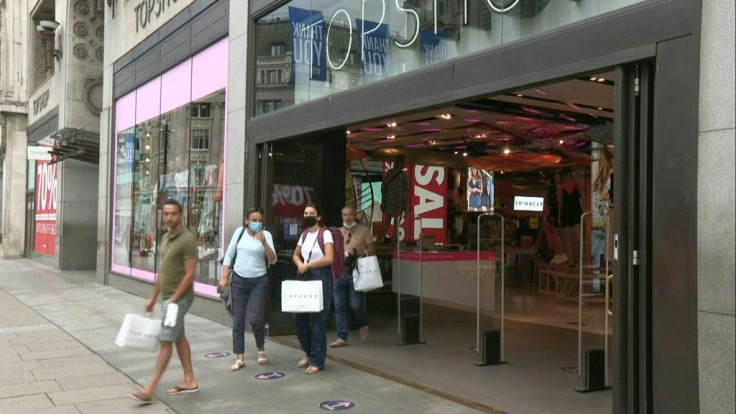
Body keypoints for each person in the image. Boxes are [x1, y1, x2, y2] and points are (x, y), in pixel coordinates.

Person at [128, 199, 199, 404]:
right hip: (169, 299)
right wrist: (152, 298)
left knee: (166, 341)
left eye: (173, 214)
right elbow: (164, 272)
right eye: (166, 214)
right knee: (179, 337)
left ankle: (149, 389)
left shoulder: (187, 239)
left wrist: (173, 300)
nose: (169, 217)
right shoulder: (166, 238)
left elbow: (190, 274)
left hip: (179, 299)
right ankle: (190, 379)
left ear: (181, 215)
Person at [219, 207, 277, 371]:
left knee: (256, 319)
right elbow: (229, 255)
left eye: (259, 220)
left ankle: (261, 348)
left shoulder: (266, 235)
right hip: (239, 280)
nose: (257, 223)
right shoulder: (239, 233)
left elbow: (273, 260)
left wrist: (264, 242)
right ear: (246, 221)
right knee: (238, 319)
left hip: (259, 280)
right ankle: (240, 357)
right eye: (254, 220)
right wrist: (224, 278)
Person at [292, 204, 334, 374]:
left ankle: (317, 360)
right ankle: (309, 353)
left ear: (318, 217)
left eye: (311, 213)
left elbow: (329, 258)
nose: (308, 215)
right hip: (305, 275)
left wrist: (308, 265)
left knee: (318, 321)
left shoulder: (326, 233)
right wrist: (300, 264)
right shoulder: (304, 234)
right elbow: (296, 254)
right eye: (305, 213)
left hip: (320, 277)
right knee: (299, 318)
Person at [330, 206, 376, 348]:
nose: (347, 217)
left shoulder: (364, 230)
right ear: (342, 216)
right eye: (345, 215)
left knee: (355, 304)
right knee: (339, 306)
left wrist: (358, 251)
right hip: (339, 272)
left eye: (350, 214)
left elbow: (373, 250)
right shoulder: (337, 232)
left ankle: (363, 324)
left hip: (355, 272)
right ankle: (341, 336)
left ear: (354, 215)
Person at [557, 168, 586, 268]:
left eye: (566, 174)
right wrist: (559, 216)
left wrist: (585, 211)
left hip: (576, 211)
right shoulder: (561, 187)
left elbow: (583, 196)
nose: (565, 176)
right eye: (564, 175)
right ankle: (571, 259)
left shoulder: (576, 184)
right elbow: (560, 203)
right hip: (566, 212)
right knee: (568, 237)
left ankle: (577, 257)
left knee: (578, 236)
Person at [378, 154, 410, 241]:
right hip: (398, 204)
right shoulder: (404, 176)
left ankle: (376, 243)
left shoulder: (389, 173)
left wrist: (384, 200)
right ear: (402, 163)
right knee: (396, 227)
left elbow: (383, 187)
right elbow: (405, 194)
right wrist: (406, 209)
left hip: (388, 203)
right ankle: (393, 247)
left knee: (386, 224)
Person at [545, 172, 566, 264]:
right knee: (555, 233)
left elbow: (554, 202)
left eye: (558, 177)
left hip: (558, 211)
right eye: (555, 177)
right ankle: (559, 253)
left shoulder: (559, 189)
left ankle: (561, 253)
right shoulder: (553, 189)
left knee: (558, 233)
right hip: (555, 211)